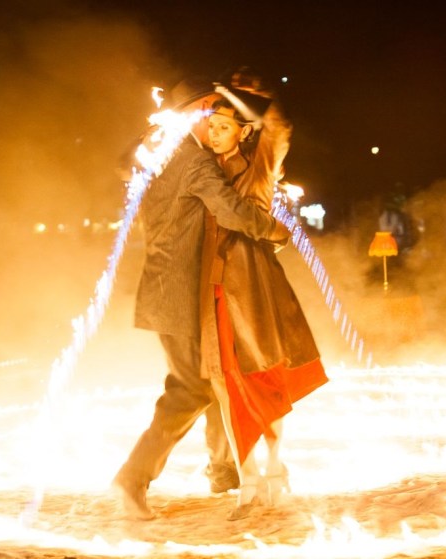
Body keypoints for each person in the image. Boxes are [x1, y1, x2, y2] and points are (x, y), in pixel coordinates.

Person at [111, 77, 290, 521]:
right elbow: (232, 211)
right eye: (207, 111)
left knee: (214, 376)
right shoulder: (194, 162)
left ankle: (223, 470)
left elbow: (123, 166)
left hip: (167, 289)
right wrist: (276, 231)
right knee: (191, 387)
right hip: (176, 293)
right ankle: (131, 480)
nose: (213, 120)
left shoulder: (163, 154)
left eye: (216, 112)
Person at [201, 71, 328, 520]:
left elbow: (279, 128)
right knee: (222, 384)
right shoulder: (197, 171)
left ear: (243, 130)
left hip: (251, 284)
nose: (213, 134)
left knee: (262, 376)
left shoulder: (259, 166)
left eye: (223, 126)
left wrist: (239, 93)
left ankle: (275, 468)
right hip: (207, 287)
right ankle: (246, 479)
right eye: (210, 126)